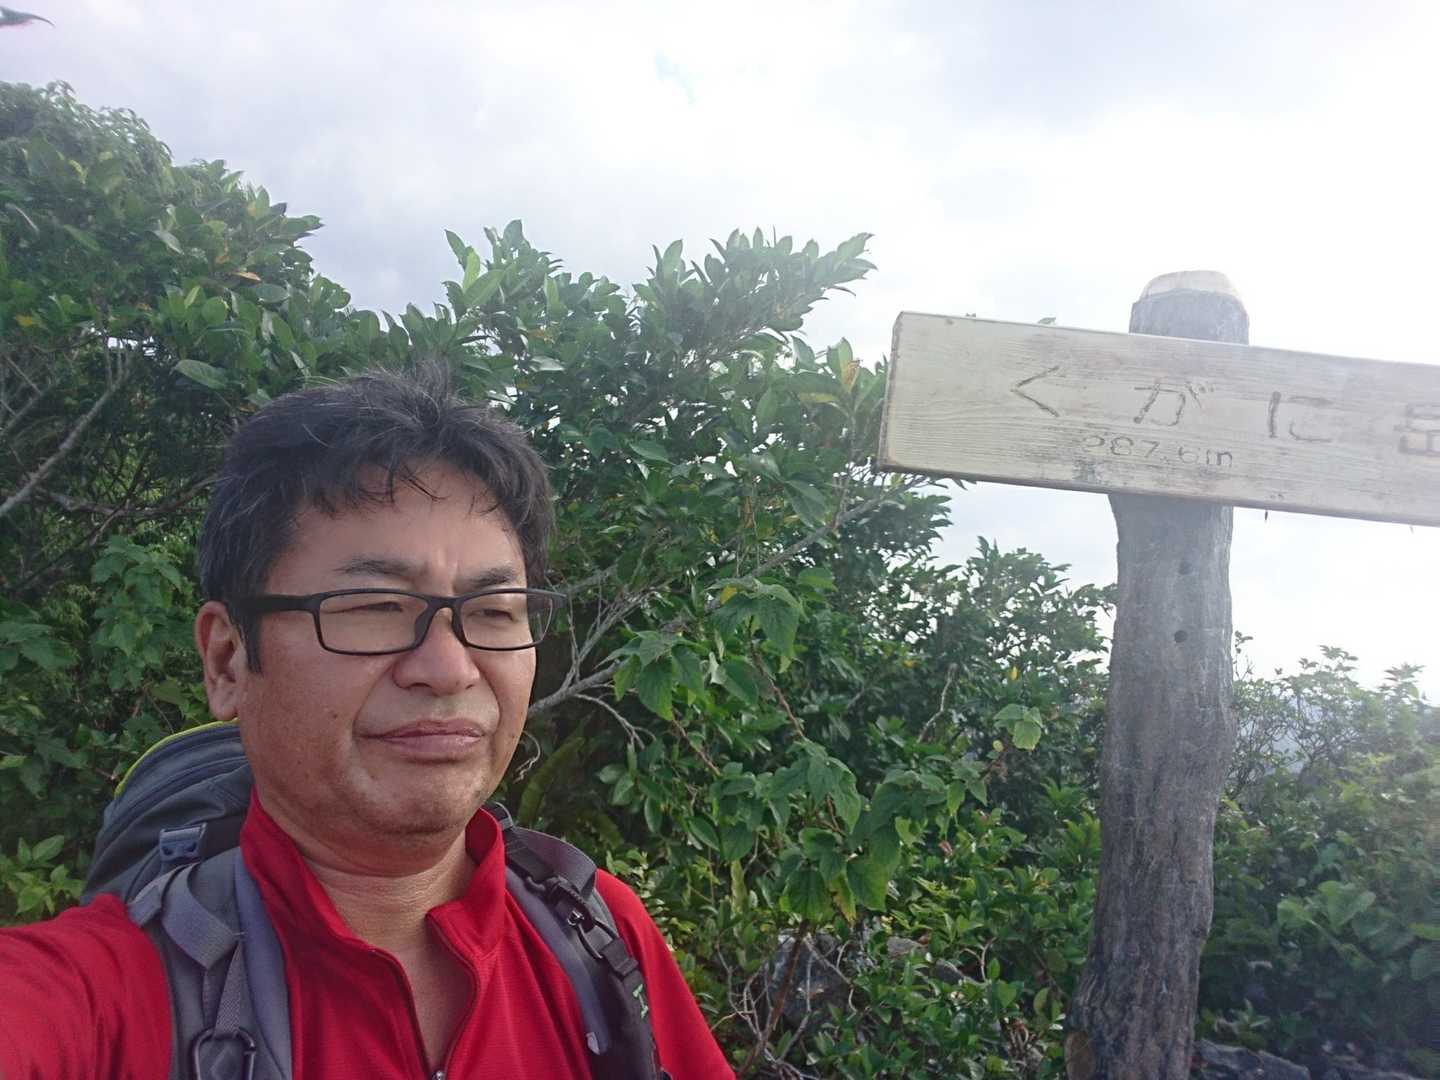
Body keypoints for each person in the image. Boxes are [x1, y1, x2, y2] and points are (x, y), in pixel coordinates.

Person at [0, 365, 734, 1079]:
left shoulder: (597, 936)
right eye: (376, 607)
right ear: (228, 661)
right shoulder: (103, 1000)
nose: (449, 668)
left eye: (493, 612)